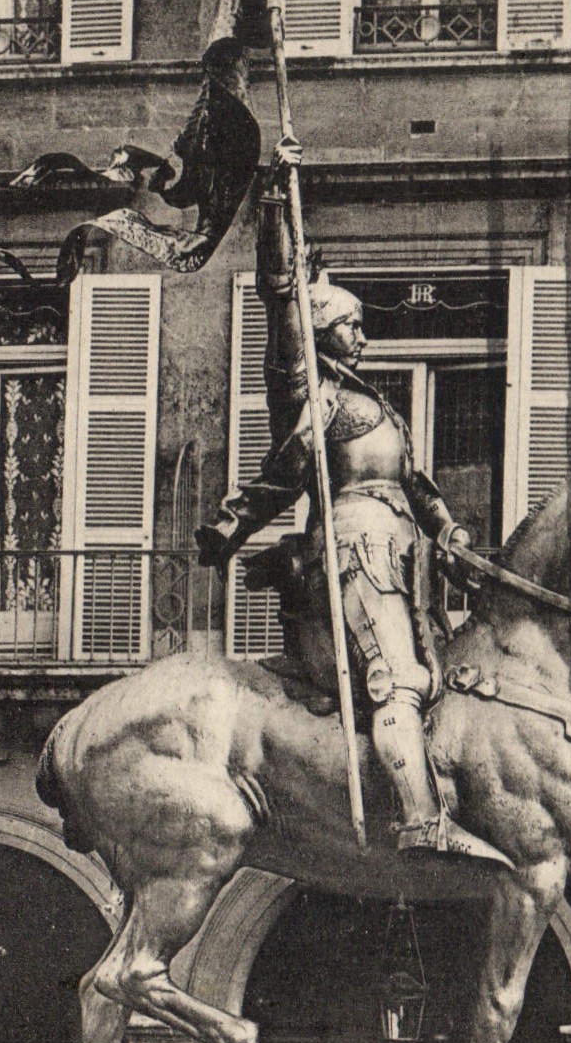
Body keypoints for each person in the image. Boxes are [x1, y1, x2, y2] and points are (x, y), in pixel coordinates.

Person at [196, 142, 509, 867]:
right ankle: (421, 817)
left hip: (406, 554)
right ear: (320, 333)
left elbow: (420, 484)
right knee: (397, 680)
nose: (363, 336)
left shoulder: (378, 408)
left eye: (361, 326)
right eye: (349, 326)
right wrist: (273, 194)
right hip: (354, 549)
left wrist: (452, 531)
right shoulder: (313, 393)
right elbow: (279, 297)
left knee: (433, 680)